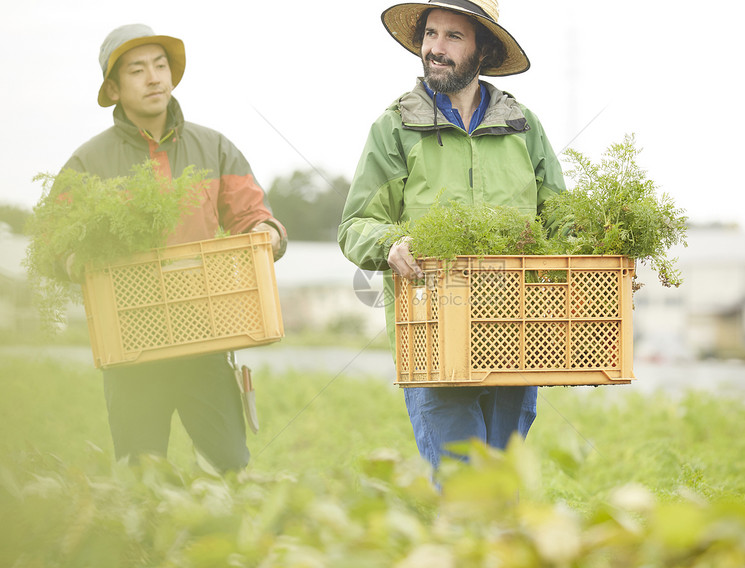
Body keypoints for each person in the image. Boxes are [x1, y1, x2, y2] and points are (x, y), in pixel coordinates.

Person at [338, 0, 566, 470]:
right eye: (430, 35)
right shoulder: (394, 127)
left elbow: (560, 219)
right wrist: (389, 244)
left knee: (504, 484)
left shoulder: (523, 127)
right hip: (433, 337)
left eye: (453, 37)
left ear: (482, 50)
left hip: (517, 335)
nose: (435, 50)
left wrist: (603, 252)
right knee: (463, 487)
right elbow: (355, 224)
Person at [56, 24, 287, 472]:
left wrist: (269, 233)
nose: (154, 77)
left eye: (161, 66)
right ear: (113, 87)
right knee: (142, 476)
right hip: (130, 341)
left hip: (206, 333)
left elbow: (251, 215)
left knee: (229, 469)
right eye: (138, 70)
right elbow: (54, 240)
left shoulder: (214, 147)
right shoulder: (88, 162)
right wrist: (72, 261)